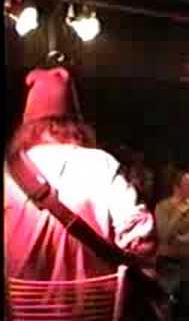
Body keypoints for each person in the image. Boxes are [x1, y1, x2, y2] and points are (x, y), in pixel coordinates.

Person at [4, 66, 156, 282]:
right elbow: (142, 238)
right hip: (96, 311)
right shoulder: (100, 164)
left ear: (28, 125)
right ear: (75, 123)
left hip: (21, 315)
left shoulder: (8, 173)